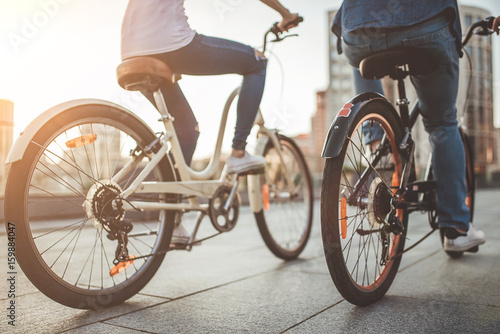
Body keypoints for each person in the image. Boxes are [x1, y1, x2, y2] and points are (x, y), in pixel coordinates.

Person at [121, 0, 300, 244]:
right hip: (170, 42)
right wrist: (285, 14)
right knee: (256, 62)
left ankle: (172, 220)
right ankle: (238, 153)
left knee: (186, 131)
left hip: (130, 49)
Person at [332, 0, 485, 252]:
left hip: (358, 28)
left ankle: (376, 142)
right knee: (442, 123)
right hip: (425, 23)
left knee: (358, 56)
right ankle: (457, 229)